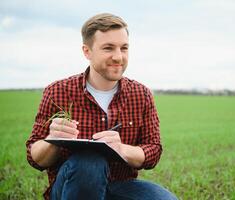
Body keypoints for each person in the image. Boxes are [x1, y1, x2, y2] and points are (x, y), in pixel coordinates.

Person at [26, 13, 177, 200]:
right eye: (108, 48)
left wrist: (121, 149)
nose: (118, 57)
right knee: (89, 162)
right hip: (71, 189)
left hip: (121, 186)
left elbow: (153, 152)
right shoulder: (58, 92)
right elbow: (35, 159)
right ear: (87, 51)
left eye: (124, 48)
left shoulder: (142, 94)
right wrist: (52, 139)